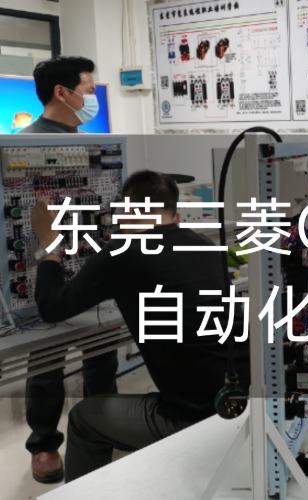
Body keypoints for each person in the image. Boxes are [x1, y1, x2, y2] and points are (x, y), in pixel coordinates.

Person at [31, 170, 251, 482]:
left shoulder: (123, 253)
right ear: (174, 214)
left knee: (83, 418)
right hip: (243, 401)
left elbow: (52, 307)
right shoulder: (202, 243)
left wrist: (48, 244)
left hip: (197, 419)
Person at [19, 55, 112, 483]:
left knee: (102, 356)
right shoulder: (20, 146)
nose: (93, 97)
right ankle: (43, 444)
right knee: (46, 361)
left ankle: (102, 428)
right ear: (63, 92)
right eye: (89, 89)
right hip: (44, 268)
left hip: (91, 267)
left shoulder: (94, 145)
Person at [21, 56, 100, 134]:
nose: (94, 98)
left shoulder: (90, 140)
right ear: (60, 93)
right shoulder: (24, 141)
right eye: (90, 91)